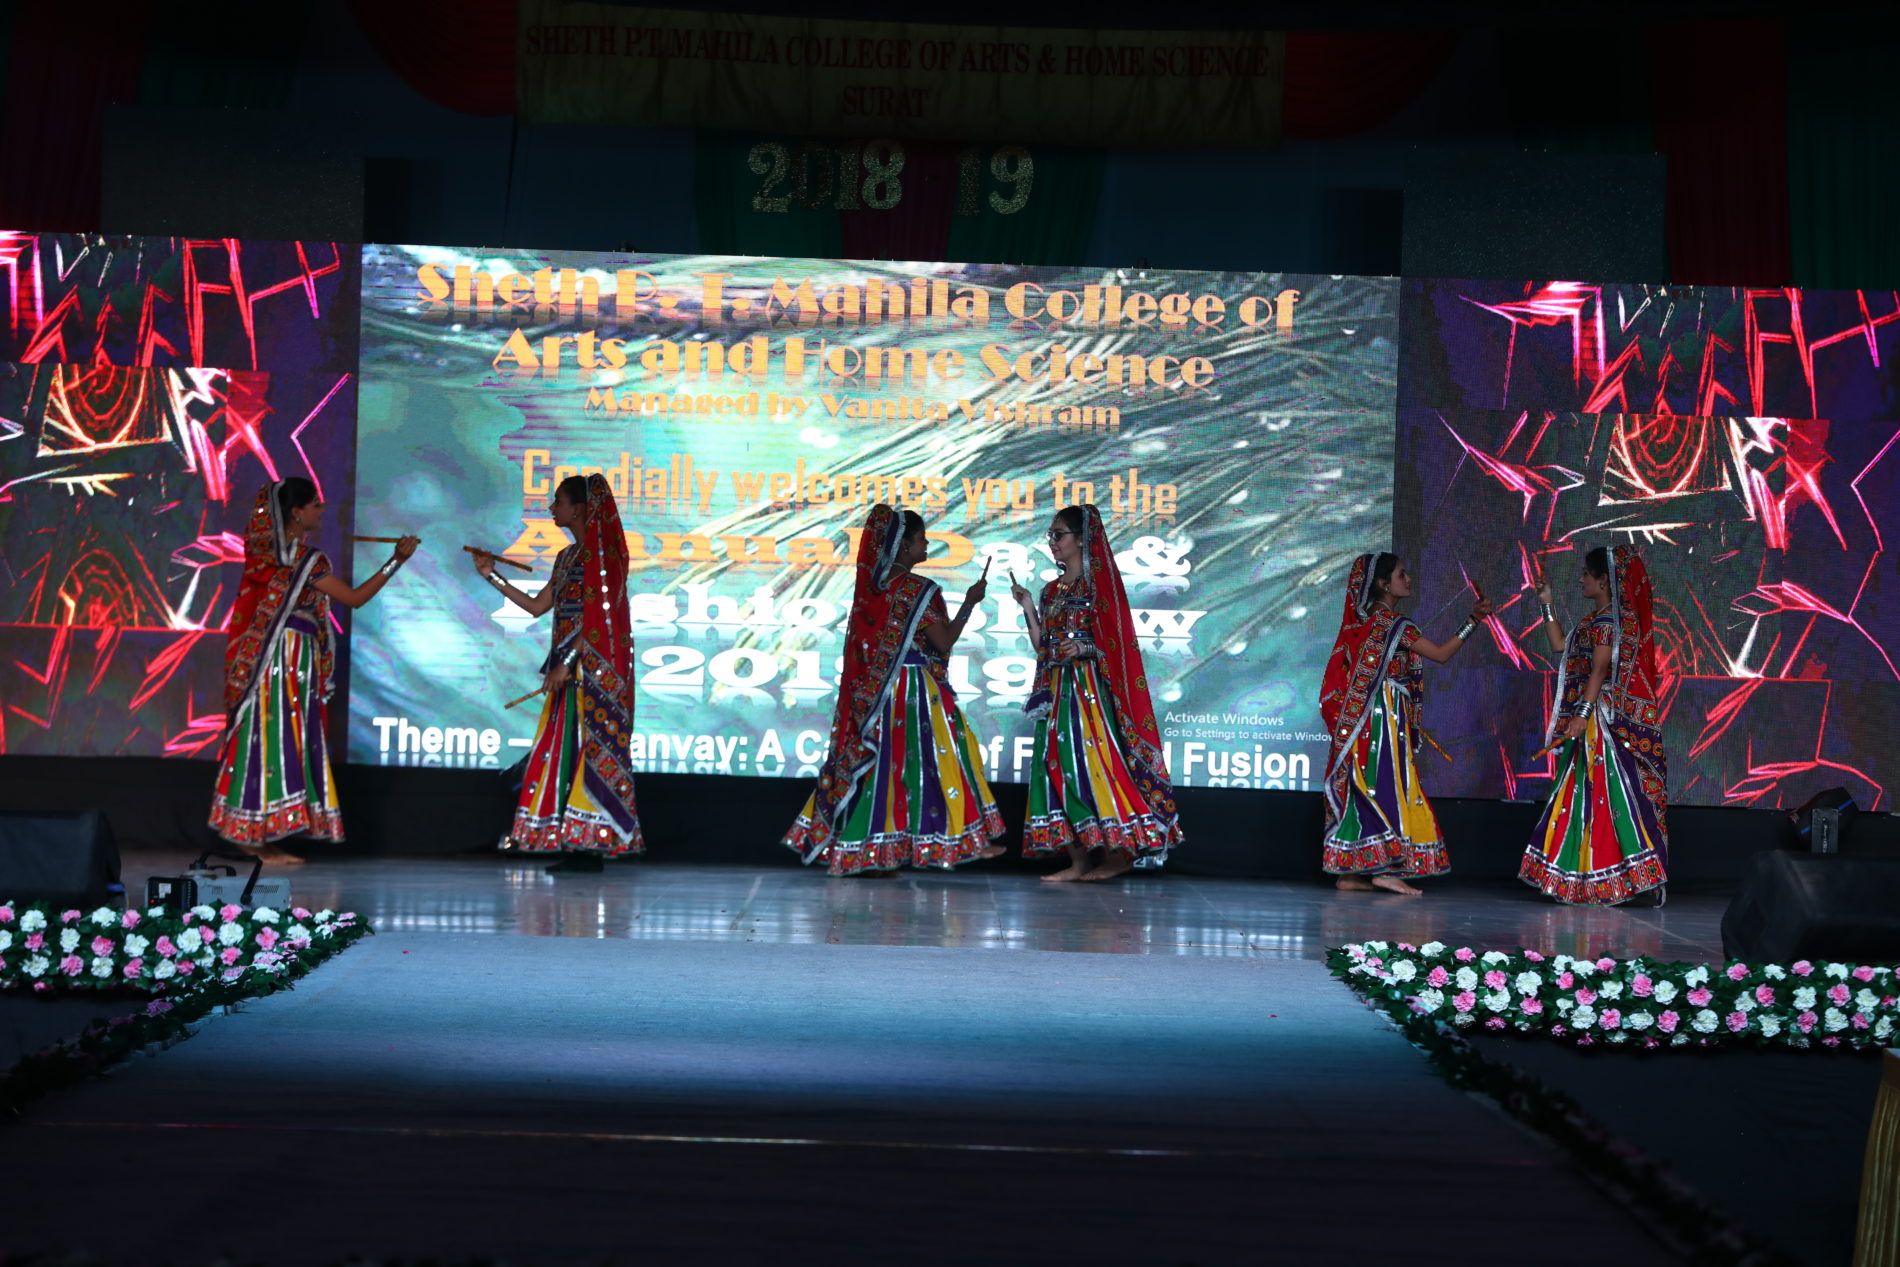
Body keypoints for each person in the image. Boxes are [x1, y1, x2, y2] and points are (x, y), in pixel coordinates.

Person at [785, 504, 1005, 876]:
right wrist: (970, 602)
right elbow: (944, 642)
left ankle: (875, 853)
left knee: (886, 770)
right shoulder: (918, 589)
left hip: (878, 696)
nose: (926, 545)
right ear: (903, 545)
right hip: (912, 690)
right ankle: (960, 838)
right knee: (944, 758)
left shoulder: (874, 590)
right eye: (921, 539)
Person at [211, 478, 418, 864]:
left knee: (266, 738)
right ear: (296, 512)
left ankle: (255, 833)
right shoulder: (307, 561)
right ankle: (252, 836)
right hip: (286, 658)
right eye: (315, 505)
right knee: (274, 738)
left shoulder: (265, 558)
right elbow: (354, 599)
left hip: (275, 660)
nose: (321, 511)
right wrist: (396, 561)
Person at [475, 472, 641, 873]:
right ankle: (576, 843)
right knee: (565, 749)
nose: (552, 508)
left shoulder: (605, 559)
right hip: (567, 667)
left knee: (589, 749)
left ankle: (590, 845)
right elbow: (537, 607)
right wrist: (491, 574)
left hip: (593, 672)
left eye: (559, 502)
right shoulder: (567, 558)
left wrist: (567, 663)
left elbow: (600, 621)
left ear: (579, 509)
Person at [1009, 504, 1181, 882]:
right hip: (1056, 691)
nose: (1052, 541)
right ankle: (1079, 860)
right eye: (1051, 535)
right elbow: (1043, 646)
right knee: (1055, 765)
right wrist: (1028, 608)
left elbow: (1116, 644)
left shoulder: (1098, 588)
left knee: (1097, 766)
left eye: (1059, 534)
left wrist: (1083, 648)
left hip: (1089, 692)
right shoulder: (1051, 590)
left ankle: (1118, 855)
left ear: (1082, 539)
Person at [1319, 553, 1490, 895]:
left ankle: (1350, 874)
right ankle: (1385, 870)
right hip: (1383, 716)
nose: (1408, 579)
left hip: (1364, 719)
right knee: (1387, 785)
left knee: (1364, 786)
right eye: (1401, 574)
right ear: (1384, 584)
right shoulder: (1392, 624)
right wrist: (1474, 619)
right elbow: (1441, 654)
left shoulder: (1364, 622)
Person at [1521, 546, 1668, 905]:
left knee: (1607, 794)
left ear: (1604, 581)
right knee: (1588, 794)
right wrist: (1546, 601)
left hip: (1600, 721)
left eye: (1586, 574)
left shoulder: (1607, 623)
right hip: (1594, 720)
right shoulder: (1598, 620)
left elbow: (1600, 669)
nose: (1581, 579)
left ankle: (1621, 877)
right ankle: (1595, 877)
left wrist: (1582, 714)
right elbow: (1559, 644)